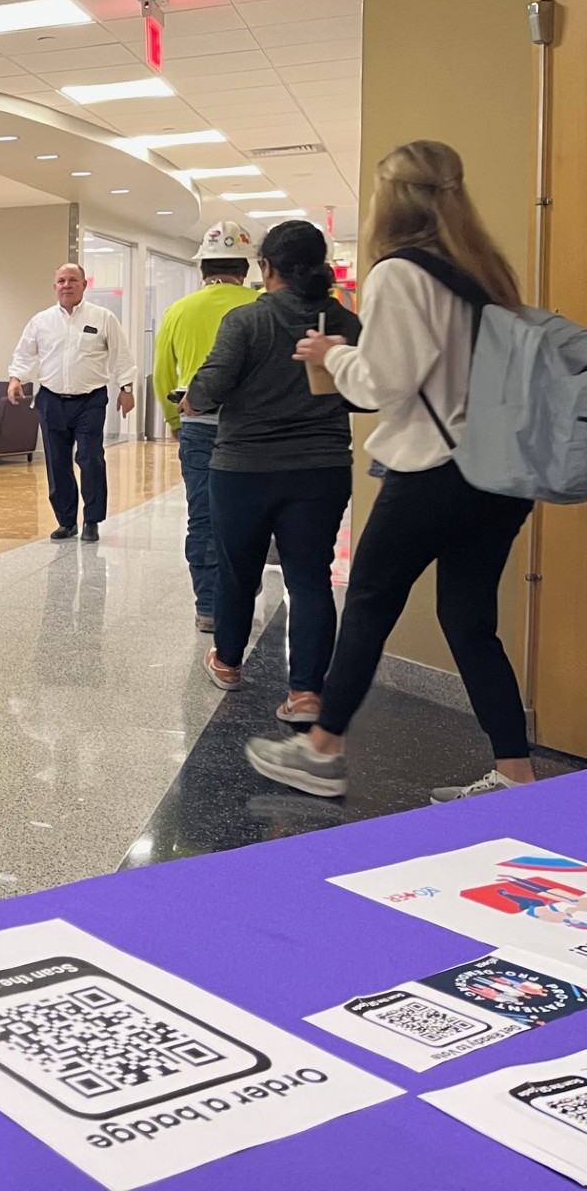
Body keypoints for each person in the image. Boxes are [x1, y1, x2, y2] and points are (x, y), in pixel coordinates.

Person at [248, 141, 536, 803]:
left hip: (438, 470)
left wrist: (334, 351)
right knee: (469, 620)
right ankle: (515, 774)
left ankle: (322, 751)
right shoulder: (487, 273)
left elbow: (384, 385)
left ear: (391, 198)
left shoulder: (401, 273)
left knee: (371, 602)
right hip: (502, 472)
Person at [182, 221, 361, 722]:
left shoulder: (245, 322)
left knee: (238, 572)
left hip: (244, 469)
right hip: (322, 469)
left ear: (267, 268)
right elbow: (363, 396)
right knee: (310, 579)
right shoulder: (345, 324)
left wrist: (191, 401)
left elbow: (209, 389)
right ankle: (305, 693)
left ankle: (228, 661)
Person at [152, 223, 260, 631]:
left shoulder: (179, 311)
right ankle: (243, 593)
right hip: (251, 428)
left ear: (202, 269)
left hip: (198, 423)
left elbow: (162, 373)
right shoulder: (258, 306)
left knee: (203, 515)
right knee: (249, 515)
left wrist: (174, 421)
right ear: (245, 268)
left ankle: (210, 607)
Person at [7, 264, 136, 542]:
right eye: (61, 281)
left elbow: (121, 354)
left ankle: (92, 519)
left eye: (72, 280)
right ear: (54, 286)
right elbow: (26, 353)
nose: (66, 285)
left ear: (84, 285)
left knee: (90, 458)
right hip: (51, 399)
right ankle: (66, 521)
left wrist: (126, 388)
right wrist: (16, 378)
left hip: (90, 400)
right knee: (56, 462)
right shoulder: (41, 321)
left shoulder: (103, 318)